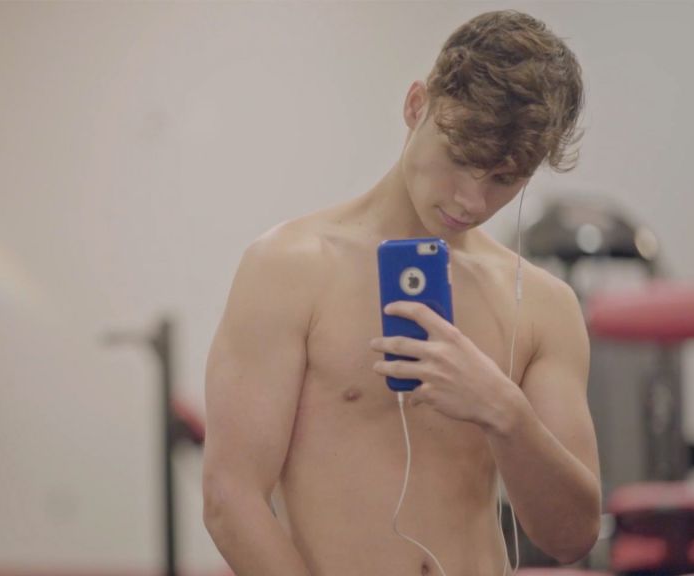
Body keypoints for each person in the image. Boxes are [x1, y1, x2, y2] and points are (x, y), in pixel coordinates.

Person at [202, 10, 601, 576]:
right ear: (417, 106)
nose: (471, 201)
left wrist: (505, 413)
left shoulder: (542, 306)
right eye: (460, 160)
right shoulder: (290, 268)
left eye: (504, 179)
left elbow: (572, 537)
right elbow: (230, 499)